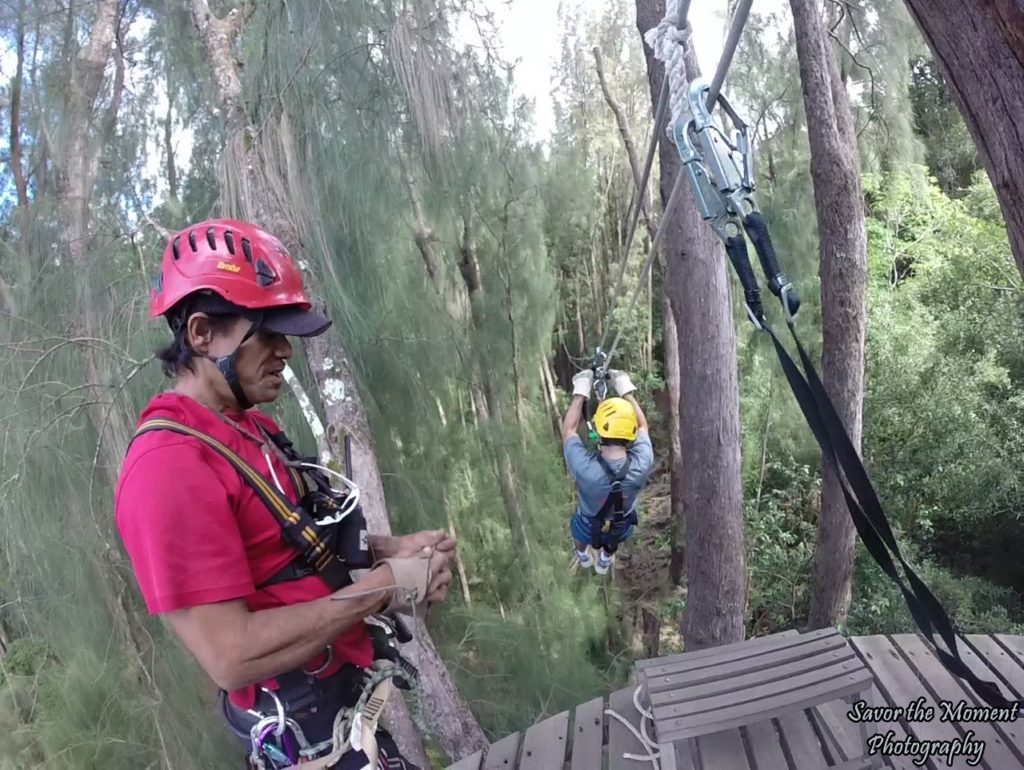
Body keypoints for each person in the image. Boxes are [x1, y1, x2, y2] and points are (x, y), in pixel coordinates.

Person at [114, 218, 454, 769]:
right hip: (309, 744)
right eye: (268, 332)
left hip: (350, 722)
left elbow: (289, 552)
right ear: (201, 334)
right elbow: (233, 654)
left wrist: (392, 554)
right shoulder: (167, 469)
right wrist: (384, 590)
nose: (285, 350)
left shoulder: (251, 430)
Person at [561, 368, 655, 575]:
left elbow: (569, 430)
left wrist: (581, 393)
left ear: (598, 432)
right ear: (630, 434)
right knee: (614, 539)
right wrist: (625, 390)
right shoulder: (643, 462)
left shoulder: (584, 467)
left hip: (587, 522)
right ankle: (604, 559)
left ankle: (583, 555)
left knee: (580, 536)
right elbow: (643, 427)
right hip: (621, 523)